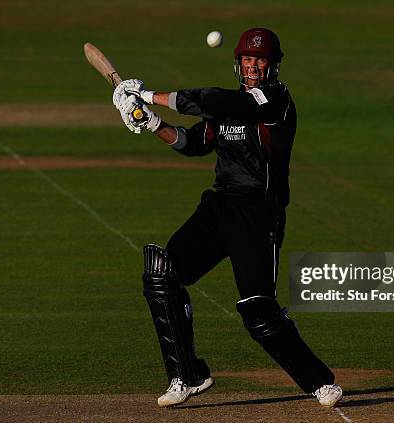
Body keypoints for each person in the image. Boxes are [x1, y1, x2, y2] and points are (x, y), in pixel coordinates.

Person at [112, 28, 342, 408]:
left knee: (257, 311)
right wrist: (151, 123)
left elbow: (211, 99)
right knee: (161, 273)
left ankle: (320, 383)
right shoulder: (228, 107)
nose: (253, 66)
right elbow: (191, 144)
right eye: (248, 60)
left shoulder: (275, 101)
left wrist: (149, 95)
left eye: (261, 60)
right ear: (239, 63)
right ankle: (187, 375)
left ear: (273, 65)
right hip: (219, 207)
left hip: (258, 213)